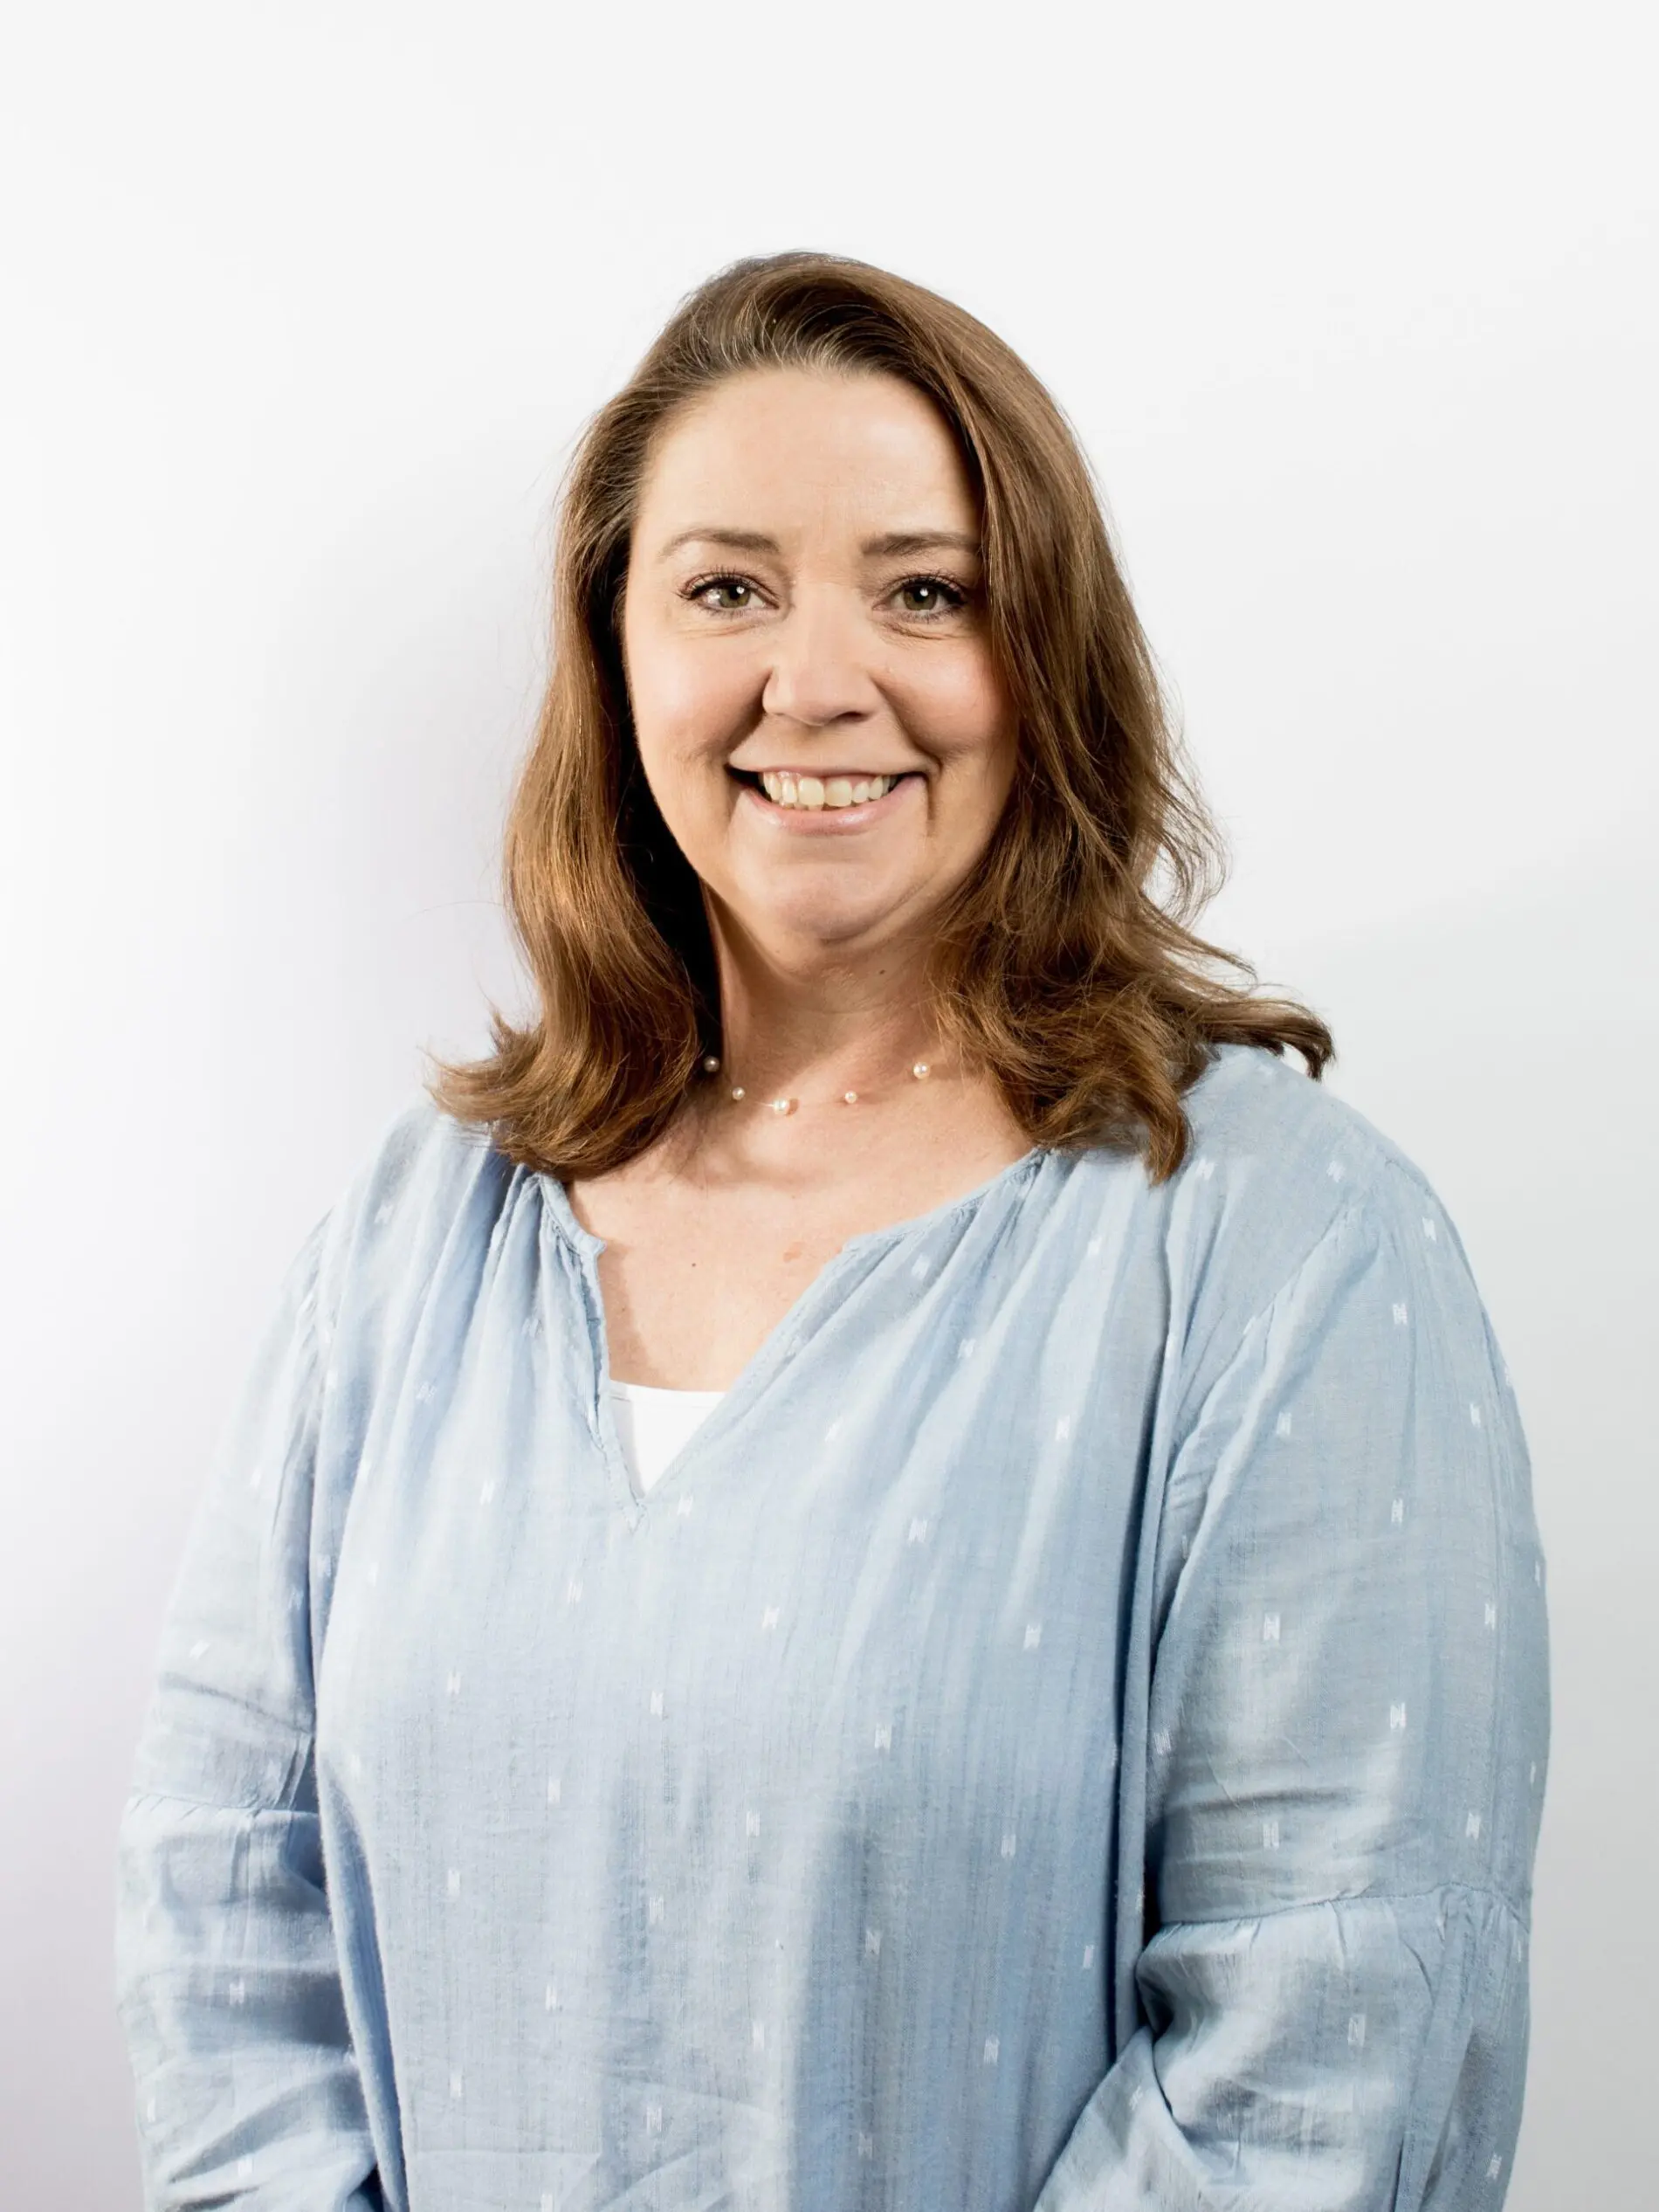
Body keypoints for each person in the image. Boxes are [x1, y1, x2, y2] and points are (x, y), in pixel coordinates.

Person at [114, 252, 1549, 2211]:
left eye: (923, 589)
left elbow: (1322, 2044)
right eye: (725, 588)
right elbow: (224, 1891)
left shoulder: (1277, 1246)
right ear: (615, 657)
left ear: (1042, 657)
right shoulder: (414, 1237)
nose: (817, 680)